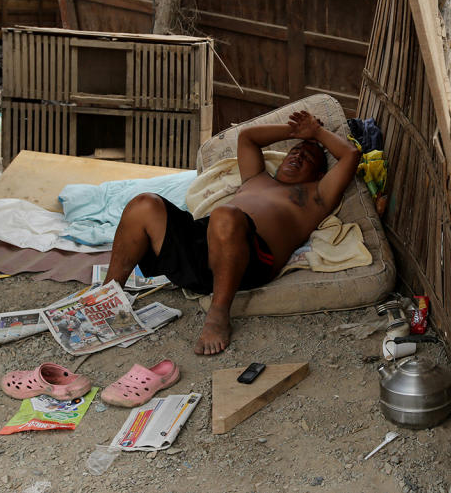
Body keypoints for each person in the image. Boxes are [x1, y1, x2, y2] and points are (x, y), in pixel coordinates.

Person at [103, 110, 360, 355]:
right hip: (203, 245)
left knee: (225, 215)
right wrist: (296, 131)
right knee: (144, 204)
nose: (297, 157)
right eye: (295, 152)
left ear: (319, 173)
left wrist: (316, 133)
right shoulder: (257, 177)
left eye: (308, 158)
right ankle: (108, 295)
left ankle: (218, 314)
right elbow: (247, 137)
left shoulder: (315, 195)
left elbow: (349, 155)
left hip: (249, 259)